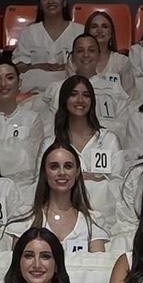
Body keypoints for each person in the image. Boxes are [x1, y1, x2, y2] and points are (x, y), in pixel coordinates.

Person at [9, 142, 111, 254]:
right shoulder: (26, 219)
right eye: (54, 167)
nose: (62, 172)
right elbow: (17, 266)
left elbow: (97, 267)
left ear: (77, 172)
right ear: (45, 173)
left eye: (68, 166)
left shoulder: (91, 221)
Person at [47, 74, 127, 208]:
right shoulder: (50, 144)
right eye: (73, 94)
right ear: (64, 100)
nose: (80, 100)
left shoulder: (109, 139)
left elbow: (119, 184)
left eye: (86, 95)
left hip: (104, 212)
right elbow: (44, 183)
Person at [0, 60, 50, 177]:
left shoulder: (32, 119)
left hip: (23, 183)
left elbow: (33, 161)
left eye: (10, 78)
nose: (3, 84)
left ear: (19, 82)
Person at [13, 0, 82, 94]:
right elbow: (18, 67)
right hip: (34, 93)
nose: (50, 1)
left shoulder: (80, 31)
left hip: (71, 92)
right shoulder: (29, 32)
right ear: (40, 5)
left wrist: (68, 66)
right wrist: (37, 67)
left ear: (64, 3)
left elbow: (91, 64)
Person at [67, 33, 133, 125]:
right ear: (72, 57)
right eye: (80, 51)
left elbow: (124, 123)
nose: (86, 55)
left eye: (91, 50)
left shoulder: (114, 88)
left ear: (99, 55)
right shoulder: (57, 88)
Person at [84, 9, 139, 97]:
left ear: (111, 34)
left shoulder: (122, 61)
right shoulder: (76, 61)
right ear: (87, 32)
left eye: (105, 26)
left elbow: (130, 97)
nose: (99, 30)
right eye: (94, 26)